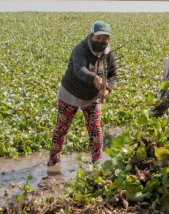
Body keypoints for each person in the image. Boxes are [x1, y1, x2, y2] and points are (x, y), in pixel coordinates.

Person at [48, 21, 118, 170]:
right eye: (98, 38)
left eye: (105, 38)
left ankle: (97, 161)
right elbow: (79, 70)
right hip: (70, 93)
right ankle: (54, 161)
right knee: (62, 128)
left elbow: (112, 75)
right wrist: (95, 78)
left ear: (109, 39)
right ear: (91, 36)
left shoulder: (109, 54)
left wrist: (107, 89)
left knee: (95, 128)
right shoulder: (80, 50)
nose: (101, 41)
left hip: (92, 97)